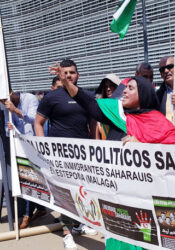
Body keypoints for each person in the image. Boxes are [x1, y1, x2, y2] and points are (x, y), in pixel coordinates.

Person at [51, 63, 175, 250]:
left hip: (145, 200)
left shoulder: (159, 122)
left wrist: (146, 147)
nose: (124, 91)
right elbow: (89, 103)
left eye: (131, 88)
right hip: (117, 197)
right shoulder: (116, 112)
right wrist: (66, 82)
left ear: (143, 94)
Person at [34, 59, 97, 250]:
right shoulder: (51, 97)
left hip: (83, 154)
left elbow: (93, 124)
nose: (69, 75)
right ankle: (67, 233)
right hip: (59, 156)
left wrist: (94, 148)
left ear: (78, 75)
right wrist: (43, 149)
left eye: (72, 72)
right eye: (66, 72)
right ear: (60, 75)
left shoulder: (86, 96)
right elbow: (38, 123)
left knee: (82, 191)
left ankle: (78, 224)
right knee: (65, 194)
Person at [0, 90, 48, 229]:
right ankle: (35, 210)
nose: (4, 103)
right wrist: (11, 129)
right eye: (1, 101)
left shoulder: (30, 99)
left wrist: (15, 110)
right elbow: (9, 128)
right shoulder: (5, 105)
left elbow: (34, 119)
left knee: (36, 178)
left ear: (11, 92)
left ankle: (30, 213)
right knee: (28, 178)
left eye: (5, 99)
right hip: (21, 146)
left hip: (34, 144)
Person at [94, 73, 121, 140]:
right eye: (106, 87)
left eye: (111, 86)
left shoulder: (124, 106)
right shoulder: (101, 107)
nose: (108, 89)